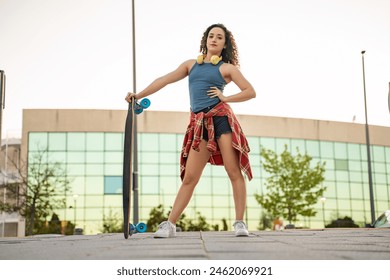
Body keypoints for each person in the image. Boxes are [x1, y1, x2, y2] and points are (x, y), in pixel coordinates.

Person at [125, 23, 256, 238]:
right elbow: (164, 80)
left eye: (219, 37)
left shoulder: (227, 68)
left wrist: (226, 97)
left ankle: (240, 223)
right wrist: (137, 95)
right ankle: (170, 224)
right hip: (199, 124)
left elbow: (250, 92)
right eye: (211, 36)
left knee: (233, 171)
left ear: (225, 44)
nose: (214, 39)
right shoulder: (190, 65)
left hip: (221, 119)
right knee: (190, 177)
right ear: (205, 40)